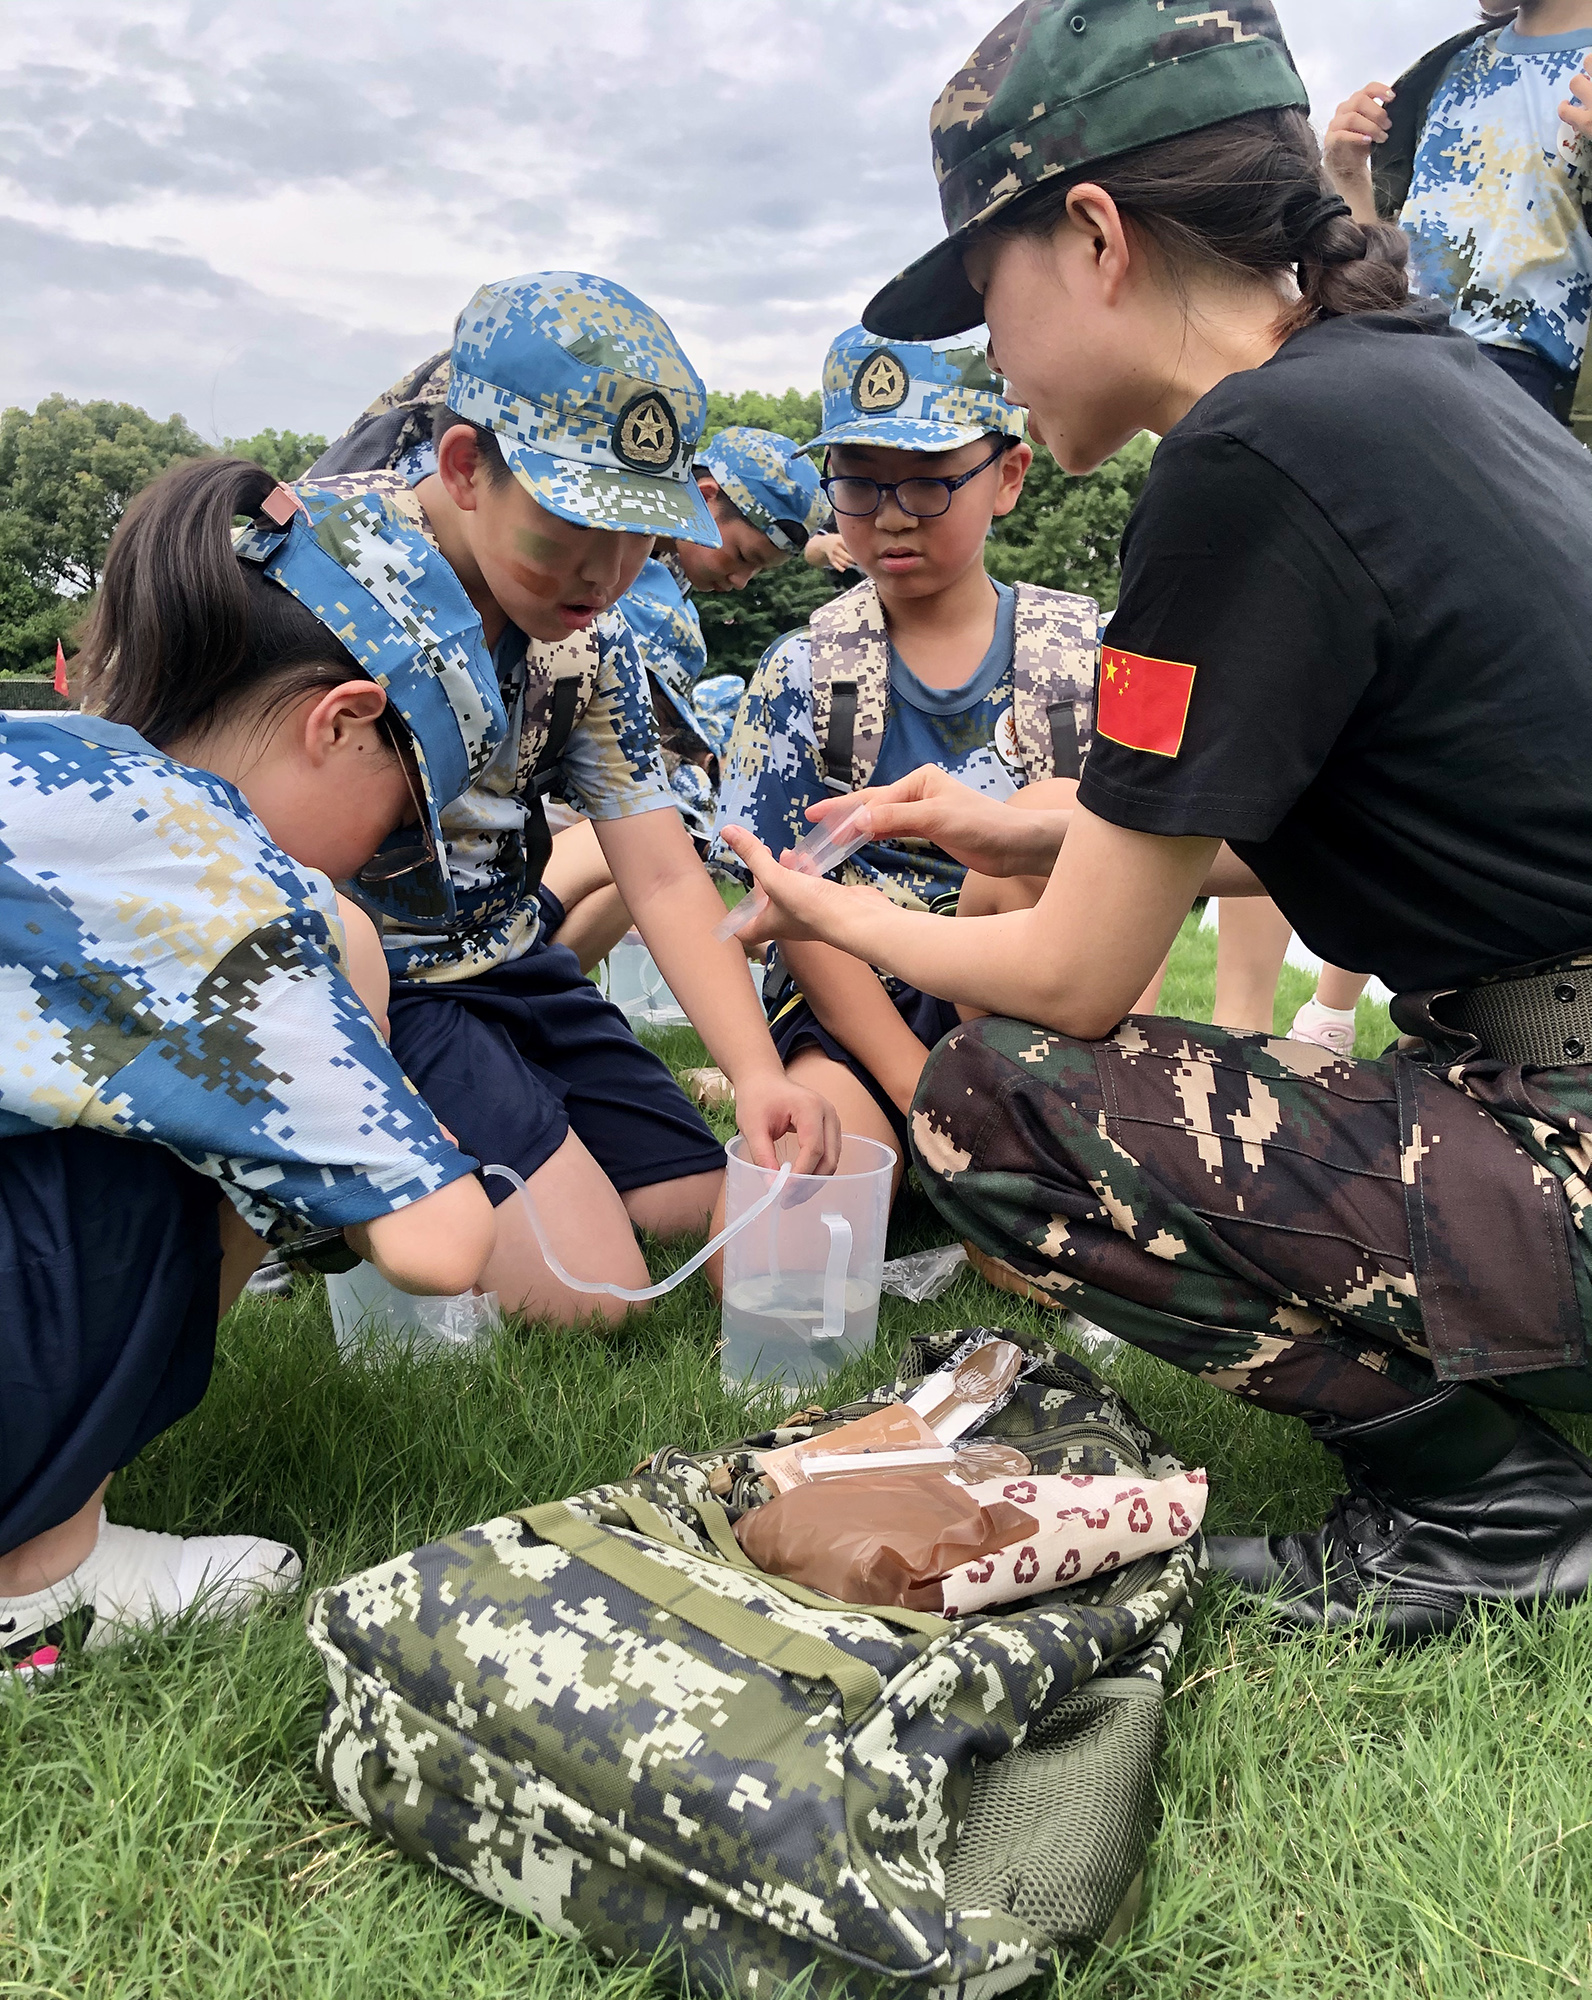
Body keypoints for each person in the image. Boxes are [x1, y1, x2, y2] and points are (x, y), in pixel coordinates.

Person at [724, 0, 1592, 1641]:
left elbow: (1067, 983)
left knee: (994, 1101)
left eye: (986, 295)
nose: (992, 359)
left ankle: (1492, 1505)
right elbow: (1430, 797)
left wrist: (823, 907)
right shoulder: (1416, 390)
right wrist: (1040, 824)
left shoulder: (1245, 464)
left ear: (1095, 237)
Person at [0, 458, 505, 1677]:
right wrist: (363, 1044)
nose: (374, 862)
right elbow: (444, 1250)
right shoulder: (220, 867)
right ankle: (34, 1577)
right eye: (393, 828)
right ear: (338, 719)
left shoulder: (39, 748)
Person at [304, 272, 838, 1326]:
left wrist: (755, 1071)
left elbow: (660, 868)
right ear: (466, 468)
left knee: (700, 1201)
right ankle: (347, 1194)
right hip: (383, 984)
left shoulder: (586, 641)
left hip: (509, 958)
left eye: (640, 532)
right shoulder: (326, 583)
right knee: (602, 1299)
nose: (603, 572)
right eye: (572, 523)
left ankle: (517, 1128)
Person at [713, 324, 1098, 1187]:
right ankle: (979, 1148)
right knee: (781, 1218)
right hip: (861, 1003)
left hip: (1039, 998)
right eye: (857, 482)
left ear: (1006, 476)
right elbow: (789, 898)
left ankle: (1084, 1127)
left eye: (928, 482)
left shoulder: (1086, 657)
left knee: (1045, 820)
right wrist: (918, 1090)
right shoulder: (803, 670)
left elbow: (1123, 878)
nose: (889, 515)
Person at [545, 426, 828, 970]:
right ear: (703, 495)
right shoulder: (615, 544)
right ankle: (516, 971)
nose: (742, 581)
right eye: (743, 556)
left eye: (760, 570)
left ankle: (533, 985)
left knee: (661, 848)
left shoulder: (670, 558)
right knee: (659, 839)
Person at [1324, 0, 1592, 420]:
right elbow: (1380, 278)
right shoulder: (1442, 73)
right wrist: (1349, 176)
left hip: (1520, 385)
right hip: (1392, 347)